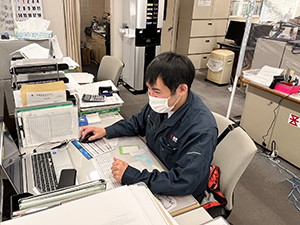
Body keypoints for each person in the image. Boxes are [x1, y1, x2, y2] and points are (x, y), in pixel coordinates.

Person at [80, 52, 218, 202]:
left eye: (156, 91)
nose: (151, 96)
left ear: (182, 89)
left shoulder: (202, 129)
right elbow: (137, 123)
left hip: (180, 193)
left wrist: (133, 176)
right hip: (155, 166)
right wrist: (106, 131)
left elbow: (183, 181)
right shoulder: (164, 103)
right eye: (149, 89)